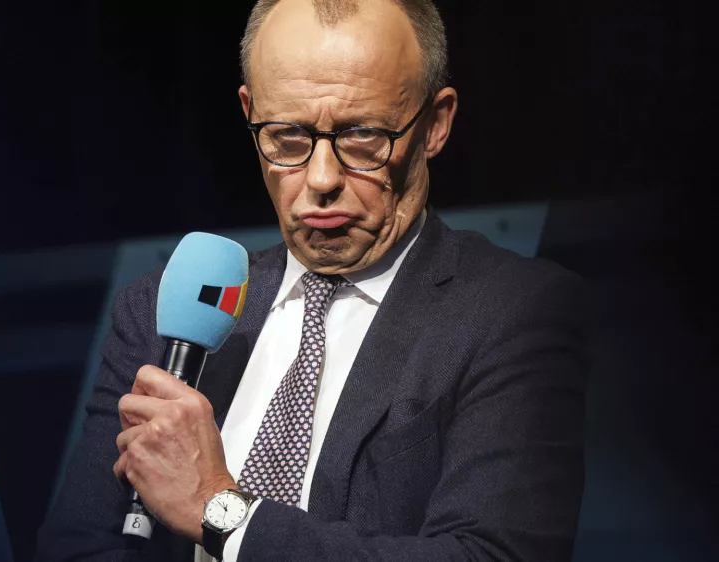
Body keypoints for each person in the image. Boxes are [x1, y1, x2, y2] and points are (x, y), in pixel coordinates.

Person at [36, 0, 588, 560]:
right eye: (288, 137)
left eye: (364, 136)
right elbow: (79, 548)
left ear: (435, 125)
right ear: (250, 113)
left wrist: (222, 511)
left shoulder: (514, 311)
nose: (321, 179)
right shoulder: (161, 309)